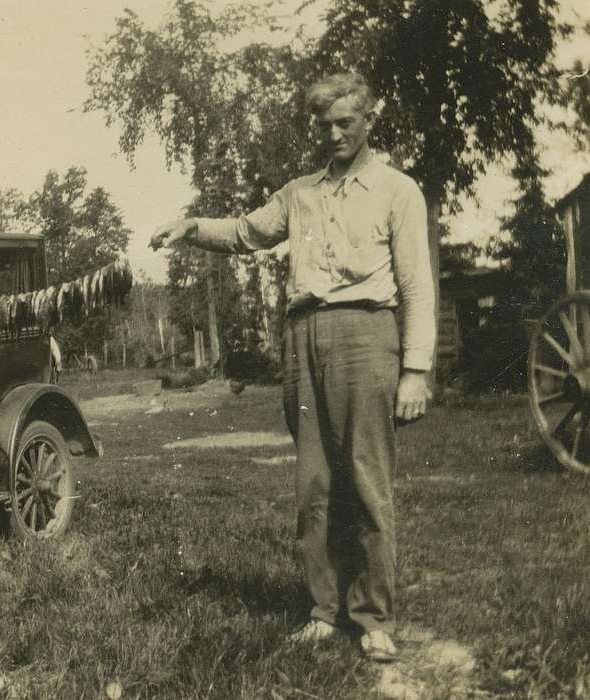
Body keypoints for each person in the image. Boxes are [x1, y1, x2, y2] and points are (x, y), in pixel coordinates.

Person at [149, 73, 434, 663]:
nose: (333, 134)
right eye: (324, 125)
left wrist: (416, 369)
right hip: (302, 340)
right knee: (314, 486)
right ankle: (324, 611)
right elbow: (247, 232)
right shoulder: (299, 194)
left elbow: (416, 285)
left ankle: (374, 615)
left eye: (345, 123)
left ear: (368, 121)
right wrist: (192, 228)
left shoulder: (397, 190)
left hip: (366, 334)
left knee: (366, 481)